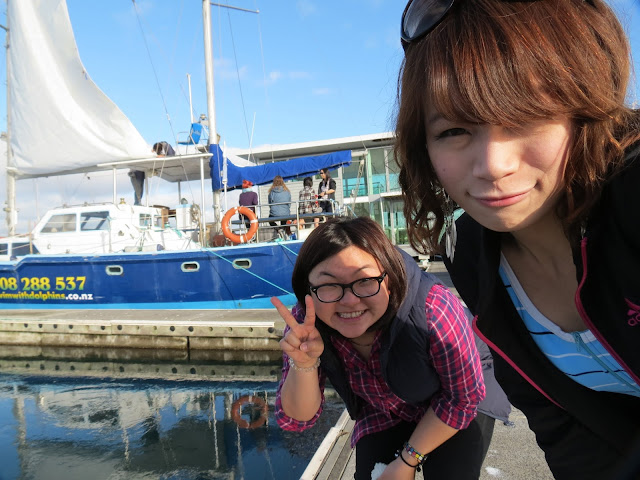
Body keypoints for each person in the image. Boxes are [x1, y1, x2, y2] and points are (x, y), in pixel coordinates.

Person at [394, 1, 640, 478]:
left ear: (581, 111)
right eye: (455, 130)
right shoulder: (472, 254)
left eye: (525, 117)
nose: (493, 166)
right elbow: (563, 429)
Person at [271, 216, 509, 480]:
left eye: (364, 281)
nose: (350, 301)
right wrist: (304, 365)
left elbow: (462, 399)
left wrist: (407, 460)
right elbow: (297, 419)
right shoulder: (306, 324)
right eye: (328, 285)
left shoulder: (433, 308)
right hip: (385, 406)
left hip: (453, 396)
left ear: (389, 277)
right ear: (308, 289)